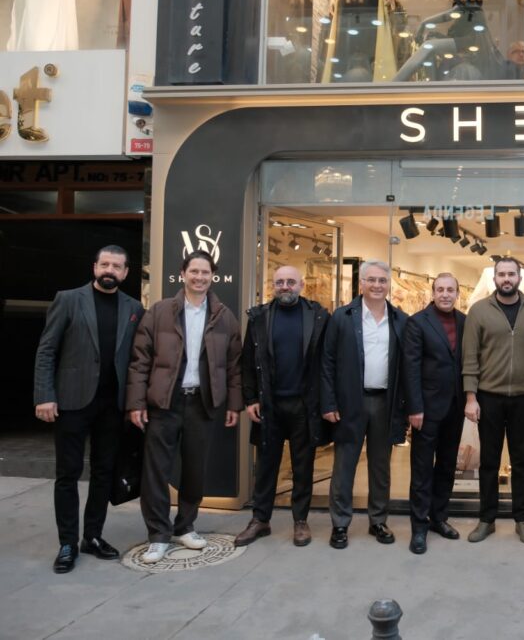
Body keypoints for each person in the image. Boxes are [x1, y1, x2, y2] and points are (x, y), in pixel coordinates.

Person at [33, 245, 144, 573]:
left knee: (103, 472)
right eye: (105, 264)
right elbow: (47, 350)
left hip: (112, 406)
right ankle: (67, 542)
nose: (110, 270)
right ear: (95, 267)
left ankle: (92, 536)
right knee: (67, 474)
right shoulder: (68, 300)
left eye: (117, 266)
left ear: (125, 272)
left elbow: (136, 359)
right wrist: (44, 395)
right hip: (71, 402)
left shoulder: (134, 308)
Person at [127, 250, 243, 564]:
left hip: (202, 403)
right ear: (183, 274)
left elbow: (234, 366)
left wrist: (233, 404)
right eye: (194, 271)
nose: (199, 277)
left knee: (194, 469)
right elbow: (140, 360)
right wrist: (136, 403)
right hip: (164, 402)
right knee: (156, 472)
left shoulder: (224, 316)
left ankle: (185, 526)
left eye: (205, 272)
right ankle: (158, 535)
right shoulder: (160, 311)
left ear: (212, 277)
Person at [234, 266, 329, 549]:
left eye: (290, 282)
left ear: (301, 284)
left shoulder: (318, 316)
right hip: (269, 405)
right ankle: (260, 520)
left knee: (303, 466)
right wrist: (250, 399)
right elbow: (247, 361)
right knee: (266, 466)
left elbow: (327, 363)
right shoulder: (259, 317)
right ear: (272, 285)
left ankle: (300, 521)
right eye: (279, 282)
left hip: (304, 405)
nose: (285, 286)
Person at [321, 261, 407, 549]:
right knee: (344, 466)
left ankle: (378, 520)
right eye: (372, 280)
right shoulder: (342, 317)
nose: (377, 285)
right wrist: (329, 402)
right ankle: (340, 524)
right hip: (350, 402)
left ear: (389, 284)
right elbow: (327, 362)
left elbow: (406, 366)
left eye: (382, 280)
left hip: (385, 402)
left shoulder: (400, 319)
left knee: (381, 466)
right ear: (362, 283)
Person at [463, 257, 524, 544]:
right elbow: (470, 356)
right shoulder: (478, 310)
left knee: (522, 461)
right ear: (494, 278)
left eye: (511, 274)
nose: (506, 279)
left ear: (519, 278)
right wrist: (471, 397)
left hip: (523, 398)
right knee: (489, 461)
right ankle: (487, 519)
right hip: (489, 397)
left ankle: (522, 519)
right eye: (501, 274)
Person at [402, 273, 466, 554]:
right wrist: (414, 407)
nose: (445, 294)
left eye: (450, 290)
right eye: (440, 289)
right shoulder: (417, 322)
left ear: (457, 293)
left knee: (447, 466)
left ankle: (439, 517)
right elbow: (410, 367)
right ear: (433, 292)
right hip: (426, 409)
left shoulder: (464, 321)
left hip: (455, 406)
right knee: (422, 469)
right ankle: (419, 526)